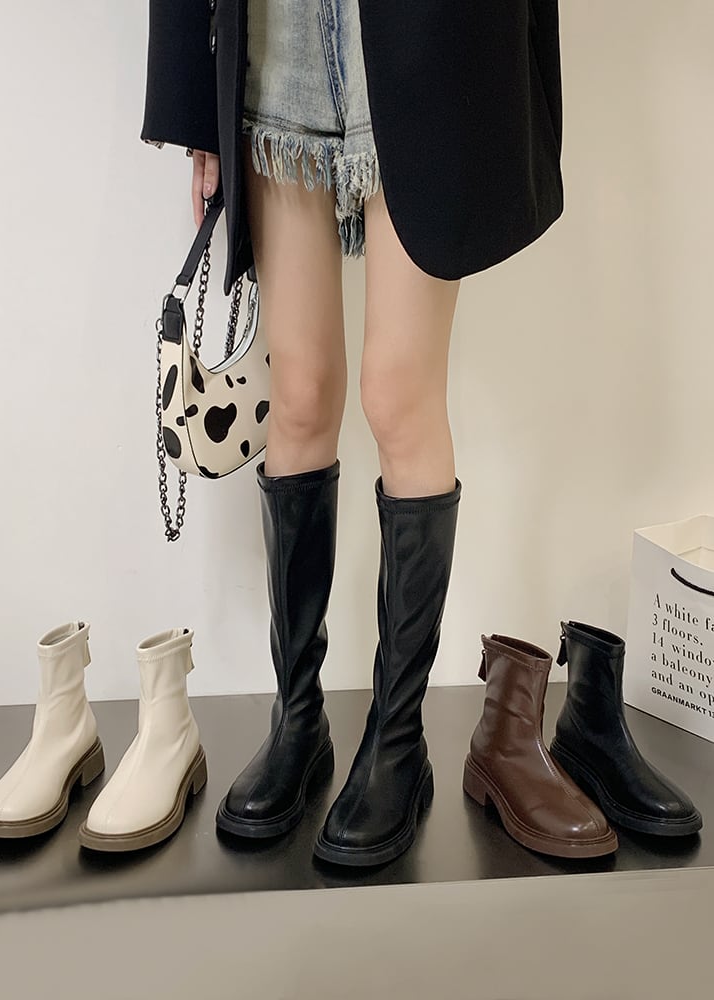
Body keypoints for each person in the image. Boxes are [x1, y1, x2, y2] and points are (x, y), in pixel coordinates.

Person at [142, 0, 563, 867]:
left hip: (427, 31)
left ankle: (397, 744)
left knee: (398, 395)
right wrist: (190, 103)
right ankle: (298, 722)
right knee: (298, 398)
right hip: (277, 28)